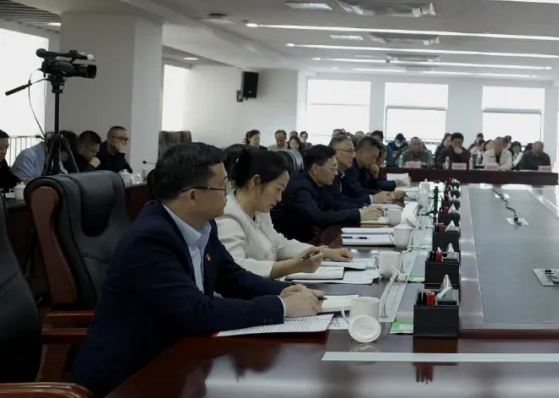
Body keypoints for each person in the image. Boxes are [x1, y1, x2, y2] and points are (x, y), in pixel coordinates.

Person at [70, 142, 323, 397]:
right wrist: (280, 307)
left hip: (181, 360)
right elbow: (197, 311)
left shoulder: (203, 225)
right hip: (131, 376)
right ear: (192, 196)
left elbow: (231, 277)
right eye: (222, 186)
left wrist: (284, 291)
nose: (228, 193)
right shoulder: (149, 241)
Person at [218, 147, 353, 278]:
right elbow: (236, 268)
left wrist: (324, 252)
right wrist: (293, 266)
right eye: (278, 189)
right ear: (255, 182)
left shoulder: (259, 210)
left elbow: (279, 244)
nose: (279, 198)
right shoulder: (227, 216)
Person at [271, 145, 383, 242]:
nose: (336, 173)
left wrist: (364, 209)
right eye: (333, 168)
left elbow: (335, 204)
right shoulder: (300, 187)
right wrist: (359, 214)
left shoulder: (316, 183)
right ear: (315, 169)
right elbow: (318, 217)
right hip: (291, 244)